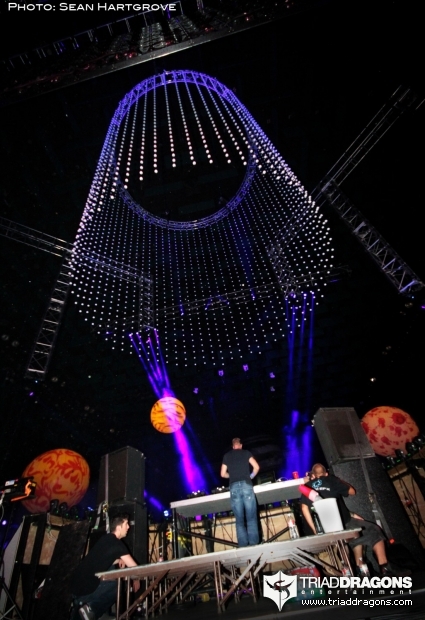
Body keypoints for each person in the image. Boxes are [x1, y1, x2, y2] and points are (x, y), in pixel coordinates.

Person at [299, 463, 411, 577]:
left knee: (356, 534)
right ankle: (384, 567)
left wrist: (316, 531)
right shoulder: (332, 480)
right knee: (373, 529)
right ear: (326, 473)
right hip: (342, 524)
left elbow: (304, 508)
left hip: (325, 528)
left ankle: (361, 569)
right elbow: (352, 491)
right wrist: (339, 480)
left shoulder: (308, 486)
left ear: (313, 475)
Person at [70, 513, 140, 620]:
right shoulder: (117, 544)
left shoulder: (105, 539)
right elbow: (135, 568)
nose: (128, 527)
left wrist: (119, 560)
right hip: (85, 590)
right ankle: (91, 609)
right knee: (120, 585)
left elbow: (103, 560)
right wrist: (136, 579)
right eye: (126, 524)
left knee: (112, 572)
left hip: (75, 587)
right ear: (119, 527)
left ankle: (88, 610)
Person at [220, 437, 260, 547]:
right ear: (241, 445)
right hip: (246, 485)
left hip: (234, 487)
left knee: (239, 519)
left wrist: (231, 475)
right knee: (251, 517)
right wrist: (250, 476)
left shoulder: (227, 456)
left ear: (233, 446)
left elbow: (222, 474)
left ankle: (243, 545)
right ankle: (253, 544)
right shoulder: (246, 453)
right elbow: (256, 467)